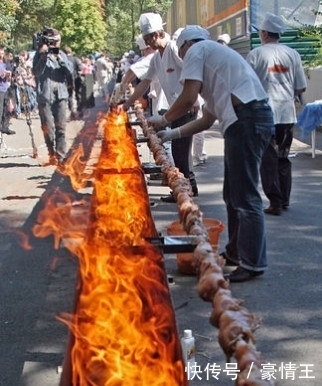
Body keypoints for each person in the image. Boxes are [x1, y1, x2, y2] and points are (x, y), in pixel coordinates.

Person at [148, 25, 274, 283]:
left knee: (245, 195)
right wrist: (171, 134)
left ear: (184, 46)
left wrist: (163, 120)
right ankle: (237, 252)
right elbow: (206, 120)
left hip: (246, 119)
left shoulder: (198, 49)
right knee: (233, 193)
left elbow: (188, 96)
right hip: (247, 119)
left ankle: (252, 262)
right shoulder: (215, 58)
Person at [120, 13, 199, 202]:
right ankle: (186, 186)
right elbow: (144, 83)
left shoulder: (173, 49)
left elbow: (192, 69)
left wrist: (194, 98)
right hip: (175, 107)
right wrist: (127, 104)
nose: (148, 44)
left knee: (181, 149)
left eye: (148, 39)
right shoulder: (157, 58)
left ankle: (187, 188)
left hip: (187, 106)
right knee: (179, 150)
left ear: (156, 35)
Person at [246, 13, 307, 215]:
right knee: (283, 156)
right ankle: (284, 198)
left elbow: (247, 87)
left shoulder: (256, 55)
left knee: (267, 158)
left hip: (264, 115)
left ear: (264, 33)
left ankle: (275, 201)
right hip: (287, 114)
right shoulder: (293, 54)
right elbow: (300, 88)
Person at [32, 27, 73, 166]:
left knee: (61, 127)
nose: (56, 44)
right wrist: (43, 56)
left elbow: (70, 72)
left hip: (60, 94)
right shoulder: (40, 54)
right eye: (55, 41)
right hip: (45, 95)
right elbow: (36, 72)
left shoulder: (61, 54)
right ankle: (51, 154)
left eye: (57, 41)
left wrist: (60, 59)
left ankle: (61, 156)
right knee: (48, 128)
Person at [0, 45, 15, 135]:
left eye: (2, 53)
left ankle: (5, 126)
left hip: (6, 86)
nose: (1, 54)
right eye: (0, 53)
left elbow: (9, 74)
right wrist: (3, 74)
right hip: (0, 88)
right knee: (0, 108)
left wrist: (9, 74)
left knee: (8, 107)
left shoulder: (5, 62)